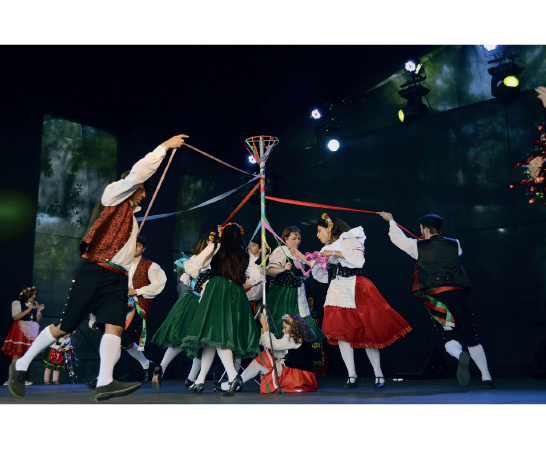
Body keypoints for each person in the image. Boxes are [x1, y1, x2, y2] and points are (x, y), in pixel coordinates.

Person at [7, 134, 188, 401]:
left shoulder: (130, 214)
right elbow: (138, 173)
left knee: (115, 327)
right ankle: (20, 366)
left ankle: (105, 382)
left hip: (117, 278)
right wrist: (163, 148)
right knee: (65, 325)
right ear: (133, 186)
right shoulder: (113, 194)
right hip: (95, 269)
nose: (143, 196)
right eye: (142, 191)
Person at [377, 212, 494, 389]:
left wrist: (391, 221)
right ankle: (487, 378)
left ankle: (460, 354)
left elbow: (398, 239)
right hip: (460, 294)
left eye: (421, 228)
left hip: (437, 297)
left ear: (424, 228)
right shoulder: (456, 244)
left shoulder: (417, 246)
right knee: (470, 335)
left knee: (448, 336)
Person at [311, 213, 412, 389]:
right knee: (340, 331)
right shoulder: (326, 247)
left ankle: (378, 375)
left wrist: (332, 252)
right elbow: (321, 273)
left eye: (319, 231)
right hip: (337, 288)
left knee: (368, 331)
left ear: (329, 228)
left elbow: (358, 259)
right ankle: (351, 375)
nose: (317, 235)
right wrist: (312, 259)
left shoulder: (349, 238)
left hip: (356, 286)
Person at [179, 222, 264, 396]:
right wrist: (242, 284)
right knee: (213, 336)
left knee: (216, 333)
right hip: (236, 293)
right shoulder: (245, 253)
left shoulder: (215, 247)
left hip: (217, 289)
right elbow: (256, 276)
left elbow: (195, 265)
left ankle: (233, 376)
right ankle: (202, 379)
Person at [150, 233, 216, 390]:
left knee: (182, 339)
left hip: (188, 300)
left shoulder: (193, 261)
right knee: (202, 341)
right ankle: (192, 378)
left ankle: (163, 366)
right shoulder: (211, 262)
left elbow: (185, 281)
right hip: (202, 303)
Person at [217, 313, 318, 394]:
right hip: (303, 376)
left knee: (264, 356)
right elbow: (278, 351)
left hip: (296, 378)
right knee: (265, 356)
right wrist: (266, 332)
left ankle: (236, 383)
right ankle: (237, 382)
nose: (283, 331)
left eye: (285, 327)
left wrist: (265, 326)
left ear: (294, 328)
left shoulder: (293, 338)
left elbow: (273, 345)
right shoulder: (298, 339)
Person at [266, 226, 325, 342]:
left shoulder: (297, 253)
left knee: (298, 324)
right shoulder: (281, 251)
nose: (297, 241)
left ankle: (295, 352)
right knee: (283, 321)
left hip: (297, 293)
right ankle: (282, 353)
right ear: (286, 239)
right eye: (294, 238)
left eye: (299, 238)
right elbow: (269, 270)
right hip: (284, 294)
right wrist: (283, 269)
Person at [2, 286, 44, 386]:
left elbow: (38, 320)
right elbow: (15, 317)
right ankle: (12, 379)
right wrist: (28, 309)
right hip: (21, 328)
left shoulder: (35, 304)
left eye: (34, 294)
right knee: (16, 355)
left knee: (27, 355)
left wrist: (38, 311)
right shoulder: (17, 303)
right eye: (32, 294)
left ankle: (21, 379)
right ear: (26, 294)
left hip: (32, 330)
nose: (33, 296)